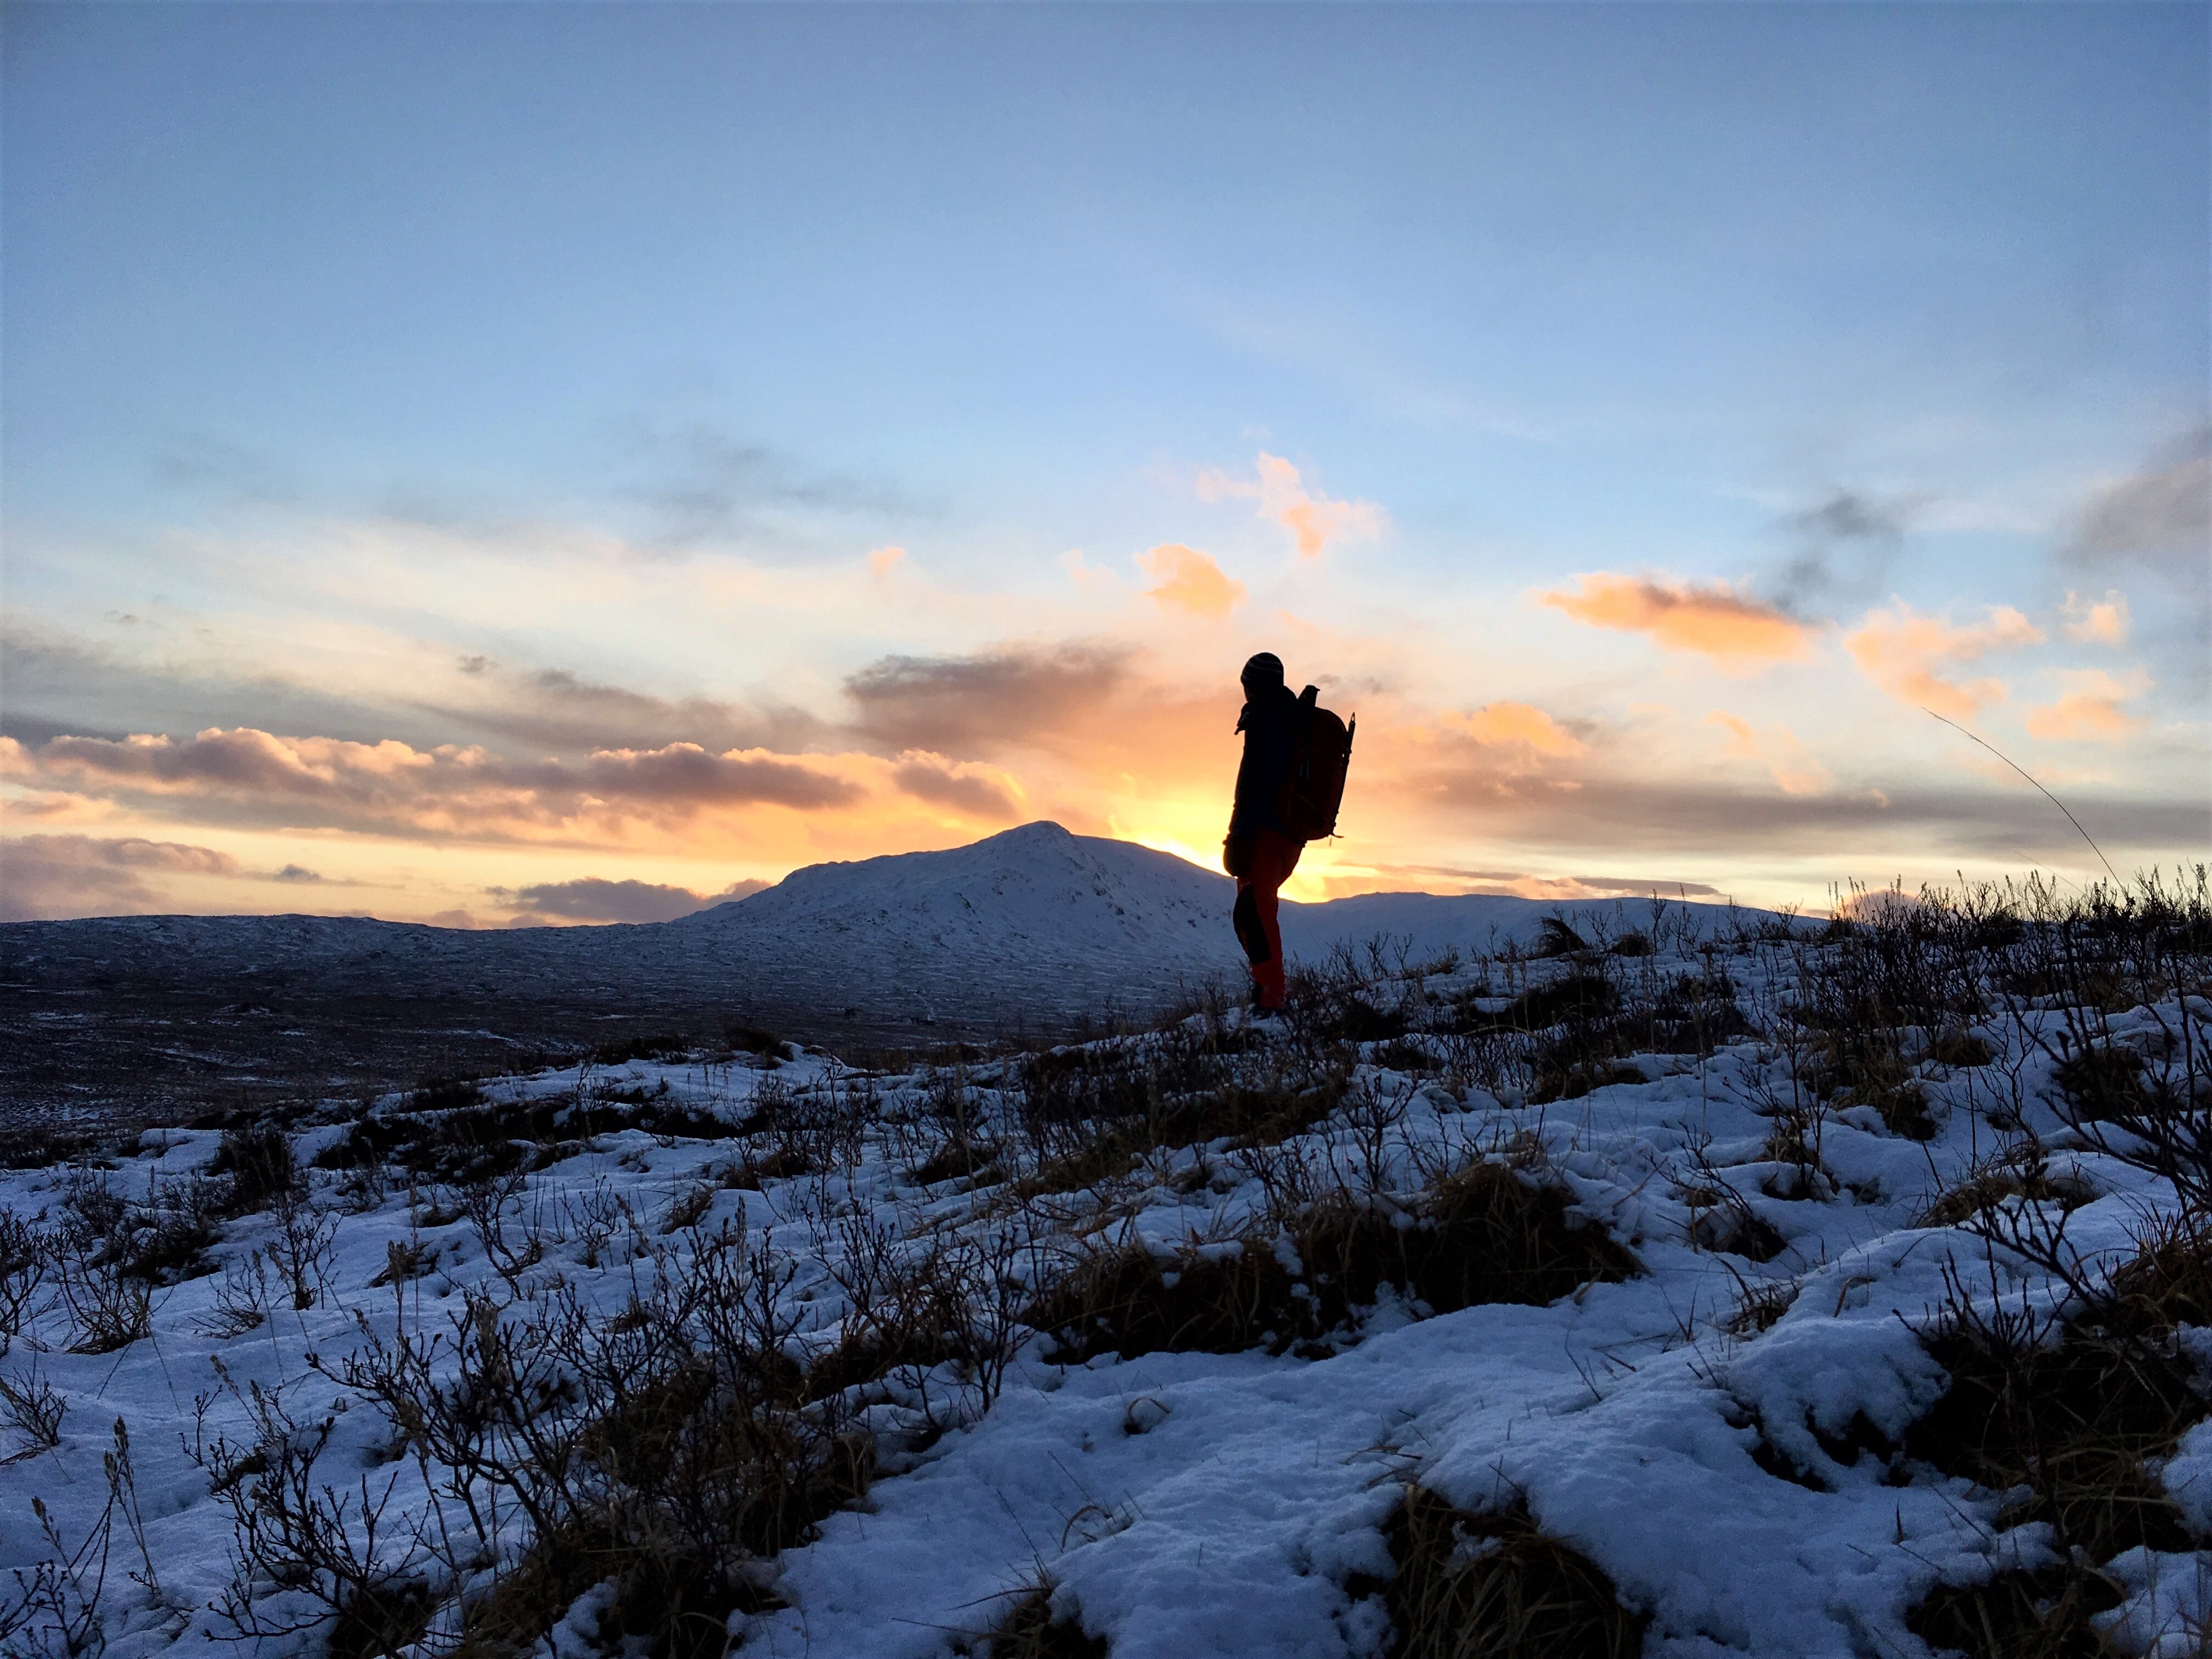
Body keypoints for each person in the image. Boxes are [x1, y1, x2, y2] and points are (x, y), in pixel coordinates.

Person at [1222, 651, 1302, 1013]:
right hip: (1292, 831)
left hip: (1264, 832)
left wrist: (1237, 835)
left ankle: (1271, 998)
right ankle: (1268, 991)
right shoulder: (1293, 718)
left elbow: (1254, 786)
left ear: (1252, 687)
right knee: (1256, 911)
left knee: (1254, 911)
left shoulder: (1265, 722)